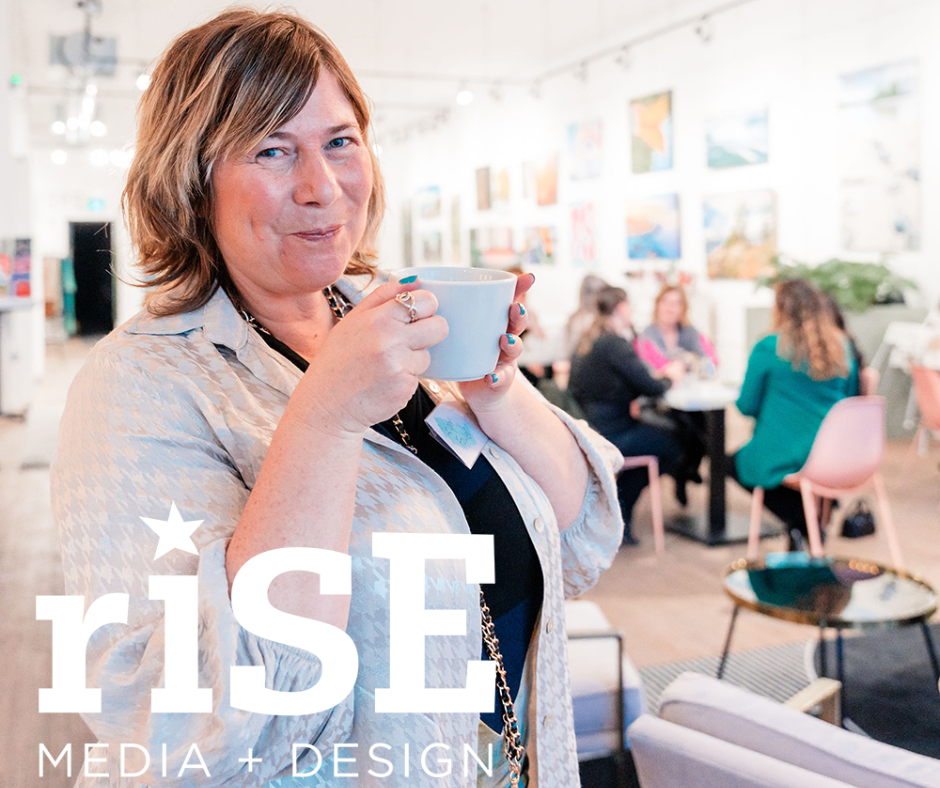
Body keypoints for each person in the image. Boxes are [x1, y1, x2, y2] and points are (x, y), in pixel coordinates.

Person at [50, 10, 623, 788]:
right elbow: (186, 720)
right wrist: (324, 417)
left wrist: (492, 382)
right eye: (272, 149)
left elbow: (581, 533)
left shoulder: (391, 315)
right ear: (191, 181)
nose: (321, 188)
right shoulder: (138, 383)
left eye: (340, 142)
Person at [730, 279, 859, 551]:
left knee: (730, 463)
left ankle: (799, 521)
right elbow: (850, 398)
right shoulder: (842, 346)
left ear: (780, 309)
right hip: (833, 452)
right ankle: (815, 516)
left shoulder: (769, 346)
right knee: (790, 468)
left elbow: (746, 405)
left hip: (785, 452)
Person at [568, 286, 685, 544]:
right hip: (611, 433)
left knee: (662, 434)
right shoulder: (614, 344)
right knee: (673, 446)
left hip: (588, 427)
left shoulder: (589, 339)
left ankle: (618, 510)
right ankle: (620, 509)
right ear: (621, 308)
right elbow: (652, 387)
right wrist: (670, 376)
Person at [637, 284, 718, 375]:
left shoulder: (690, 332)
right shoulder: (648, 334)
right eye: (665, 301)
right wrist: (686, 358)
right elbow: (650, 367)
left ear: (683, 309)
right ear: (657, 305)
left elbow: (709, 364)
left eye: (676, 303)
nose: (670, 307)